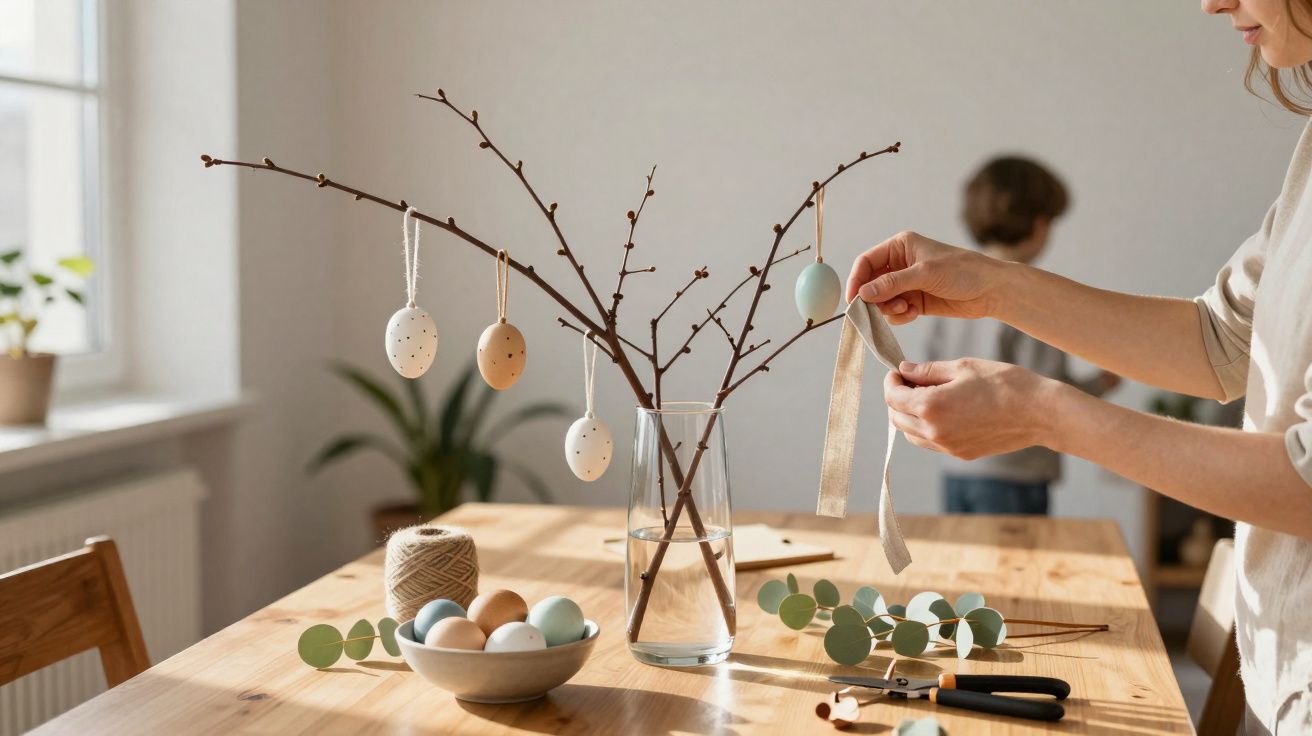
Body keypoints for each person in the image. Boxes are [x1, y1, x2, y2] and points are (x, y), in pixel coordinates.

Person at [846, 1, 1312, 730]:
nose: (1211, 1)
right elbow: (1223, 338)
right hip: (1279, 674)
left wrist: (1045, 412)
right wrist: (992, 284)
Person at [929, 156, 1120, 515]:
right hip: (1014, 473)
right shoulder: (1031, 293)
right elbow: (1045, 390)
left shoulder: (948, 286)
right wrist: (1100, 384)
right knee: (1016, 569)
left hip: (957, 465)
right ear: (1039, 224)